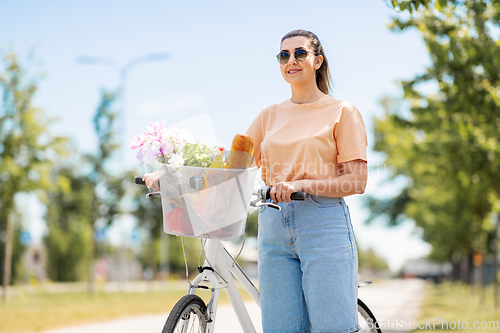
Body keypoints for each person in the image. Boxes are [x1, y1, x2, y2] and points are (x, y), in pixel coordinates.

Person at [244, 29, 367, 333]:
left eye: (300, 53)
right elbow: (233, 164)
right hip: (272, 225)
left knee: (332, 328)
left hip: (323, 224)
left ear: (318, 61)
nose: (291, 60)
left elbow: (357, 181)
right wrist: (171, 171)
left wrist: (303, 185)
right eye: (283, 55)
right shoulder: (268, 116)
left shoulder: (342, 112)